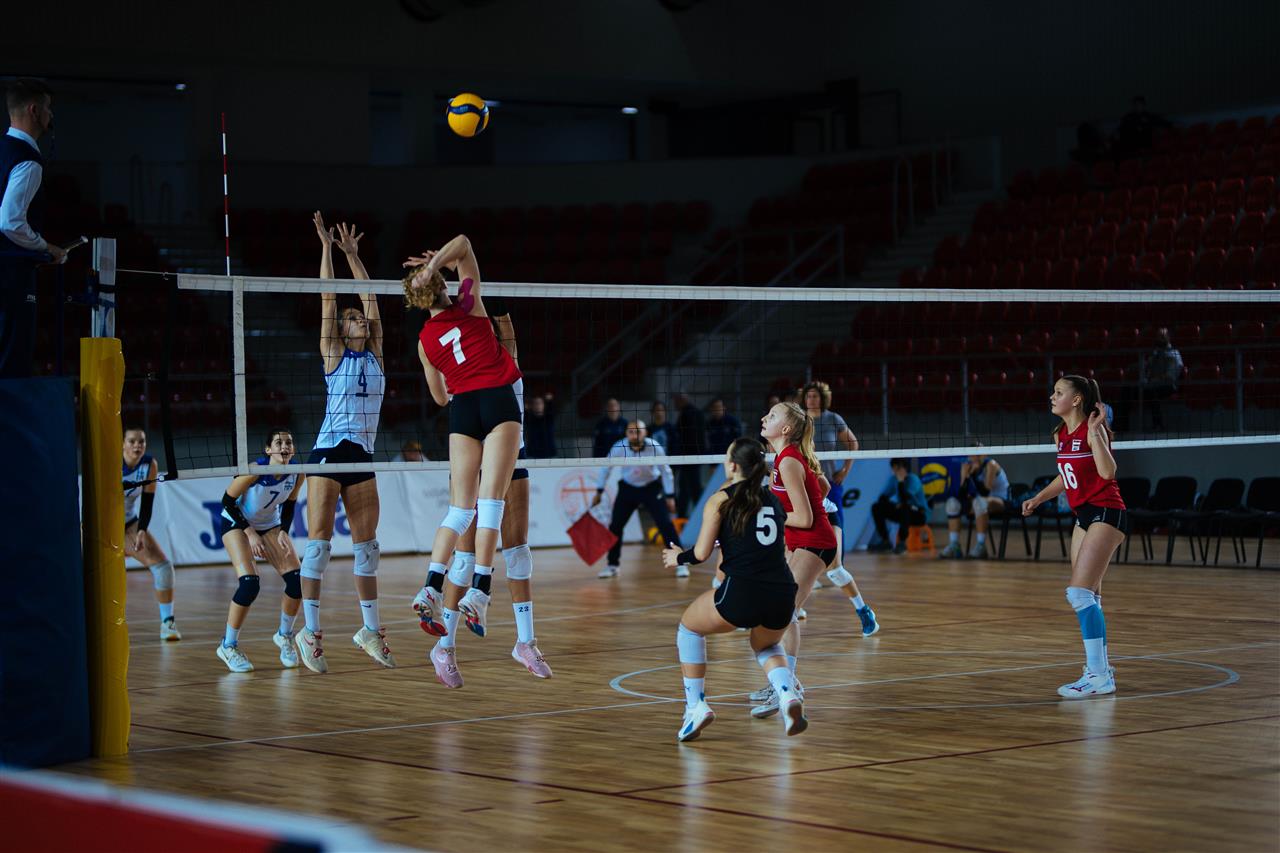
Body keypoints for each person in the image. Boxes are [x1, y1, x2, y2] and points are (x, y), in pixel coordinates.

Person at [406, 232, 522, 689]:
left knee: (459, 510)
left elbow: (439, 397)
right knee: (491, 503)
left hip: (462, 409)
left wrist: (431, 271)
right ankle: (480, 591)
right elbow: (466, 244)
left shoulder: (423, 341)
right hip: (496, 399)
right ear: (442, 286)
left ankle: (431, 586)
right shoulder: (470, 304)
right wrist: (436, 262)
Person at [412, 300, 552, 678]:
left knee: (519, 553)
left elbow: (507, 334)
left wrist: (500, 309)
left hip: (513, 459)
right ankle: (444, 647)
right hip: (473, 461)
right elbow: (441, 390)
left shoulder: (506, 364)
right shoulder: (466, 368)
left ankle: (525, 642)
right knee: (464, 559)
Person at [295, 213, 394, 674]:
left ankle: (369, 630)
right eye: (352, 319)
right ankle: (310, 633)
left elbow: (371, 297)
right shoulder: (333, 353)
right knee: (317, 547)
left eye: (360, 319)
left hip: (363, 455)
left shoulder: (377, 356)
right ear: (341, 329)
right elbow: (329, 298)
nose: (359, 321)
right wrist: (326, 249)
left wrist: (354, 254)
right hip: (328, 452)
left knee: (367, 548)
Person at [663, 437, 806, 741]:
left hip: (744, 590)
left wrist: (678, 558)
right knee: (766, 645)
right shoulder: (773, 500)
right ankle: (787, 695)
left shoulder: (721, 499)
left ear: (731, 466)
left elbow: (700, 554)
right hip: (783, 592)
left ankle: (696, 707)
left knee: (689, 628)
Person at [1022, 376, 1127, 698]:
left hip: (1106, 512)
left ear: (1077, 399)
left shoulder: (1094, 430)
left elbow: (1108, 472)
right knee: (1090, 596)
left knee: (1078, 594)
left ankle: (1098, 676)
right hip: (1083, 516)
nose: (1052, 397)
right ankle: (1101, 670)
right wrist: (1039, 497)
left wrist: (1095, 433)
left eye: (1059, 392)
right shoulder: (1061, 434)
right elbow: (1066, 474)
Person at [750, 402, 838, 719]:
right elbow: (823, 486)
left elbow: (804, 517)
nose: (764, 417)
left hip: (815, 543)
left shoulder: (788, 461)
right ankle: (785, 683)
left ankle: (785, 687)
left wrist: (766, 514)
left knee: (783, 612)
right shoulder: (785, 458)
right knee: (781, 611)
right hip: (802, 543)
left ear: (785, 429)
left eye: (772, 415)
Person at [215, 430, 306, 672]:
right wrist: (250, 533)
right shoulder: (255, 470)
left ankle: (284, 636)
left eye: (289, 442)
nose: (284, 446)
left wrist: (284, 531)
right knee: (249, 584)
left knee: (297, 582)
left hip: (269, 524)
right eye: (279, 442)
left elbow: (290, 505)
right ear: (268, 450)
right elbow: (227, 502)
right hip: (236, 522)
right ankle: (228, 645)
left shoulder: (298, 472)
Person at [1, 78, 66, 378]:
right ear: (34, 110)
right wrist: (45, 247)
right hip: (11, 277)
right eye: (48, 108)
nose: (51, 115)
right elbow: (10, 222)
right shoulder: (28, 160)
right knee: (11, 363)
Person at [801, 380, 876, 636]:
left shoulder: (832, 420)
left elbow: (853, 443)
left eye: (815, 396)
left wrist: (845, 469)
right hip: (806, 497)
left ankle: (862, 609)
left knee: (835, 570)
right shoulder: (797, 428)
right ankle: (794, 608)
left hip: (825, 492)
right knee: (793, 563)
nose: (811, 400)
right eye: (808, 396)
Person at [592, 420, 683, 579]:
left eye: (638, 431)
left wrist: (670, 496)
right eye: (631, 432)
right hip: (628, 488)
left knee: (665, 524)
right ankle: (612, 565)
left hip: (651, 487)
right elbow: (606, 468)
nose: (635, 435)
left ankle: (680, 563)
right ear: (626, 434)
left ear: (645, 432)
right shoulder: (619, 447)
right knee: (615, 526)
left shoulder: (654, 446)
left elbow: (666, 471)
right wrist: (599, 491)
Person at [122, 428, 180, 640]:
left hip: (128, 524)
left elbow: (147, 503)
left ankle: (167, 623)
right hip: (99, 525)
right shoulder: (108, 461)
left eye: (141, 441)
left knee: (163, 568)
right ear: (122, 444)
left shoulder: (149, 465)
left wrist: (141, 531)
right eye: (132, 441)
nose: (137, 445)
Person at [940, 444, 1011, 560]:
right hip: (980, 502)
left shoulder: (991, 464)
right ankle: (954, 545)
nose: (976, 457)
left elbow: (985, 492)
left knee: (979, 502)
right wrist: (966, 476)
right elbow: (962, 494)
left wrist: (971, 474)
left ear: (985, 454)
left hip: (1002, 501)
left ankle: (981, 545)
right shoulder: (966, 466)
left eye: (979, 454)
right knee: (952, 503)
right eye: (973, 454)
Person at [868, 459, 929, 554]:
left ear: (903, 468)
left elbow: (905, 499)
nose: (894, 471)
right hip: (903, 511)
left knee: (905, 507)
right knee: (876, 507)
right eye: (893, 469)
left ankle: (902, 542)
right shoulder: (893, 479)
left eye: (896, 468)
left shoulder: (913, 479)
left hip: (919, 513)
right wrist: (893, 504)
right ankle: (886, 541)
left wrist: (901, 481)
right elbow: (883, 497)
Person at [1141, 327, 1183, 430]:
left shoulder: (1173, 353)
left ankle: (1158, 425)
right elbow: (1148, 370)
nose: (1160, 339)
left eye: (1163, 337)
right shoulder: (1155, 354)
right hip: (1152, 384)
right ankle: (1122, 426)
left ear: (1168, 337)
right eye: (1159, 337)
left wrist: (1155, 380)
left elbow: (1170, 376)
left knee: (1153, 393)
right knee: (1127, 390)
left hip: (1168, 386)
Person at [673, 392, 707, 516]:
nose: (674, 404)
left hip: (689, 457)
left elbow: (687, 437)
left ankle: (697, 515)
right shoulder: (694, 412)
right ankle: (685, 515)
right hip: (692, 457)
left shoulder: (688, 414)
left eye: (676, 401)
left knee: (692, 488)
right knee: (687, 488)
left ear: (682, 400)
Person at [523, 392, 557, 458]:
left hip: (550, 454)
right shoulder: (529, 419)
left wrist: (549, 402)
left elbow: (551, 409)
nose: (538, 405)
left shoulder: (549, 418)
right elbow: (524, 413)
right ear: (532, 406)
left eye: (540, 403)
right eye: (535, 403)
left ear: (544, 405)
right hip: (532, 455)